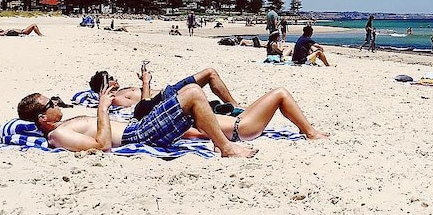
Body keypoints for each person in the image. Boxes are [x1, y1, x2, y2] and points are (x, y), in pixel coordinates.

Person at [18, 81, 328, 158]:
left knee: (191, 94)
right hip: (137, 136)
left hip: (141, 129)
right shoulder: (56, 136)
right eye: (53, 103)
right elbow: (101, 147)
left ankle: (224, 142)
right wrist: (102, 107)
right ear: (45, 118)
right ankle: (227, 148)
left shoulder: (64, 124)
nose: (59, 103)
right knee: (193, 92)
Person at [88, 67, 243, 110]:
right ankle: (235, 106)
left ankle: (234, 106)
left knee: (211, 73)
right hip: (167, 98)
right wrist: (146, 82)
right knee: (210, 73)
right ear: (107, 84)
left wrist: (144, 80)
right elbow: (144, 106)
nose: (116, 79)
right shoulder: (116, 98)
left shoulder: (123, 91)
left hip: (169, 92)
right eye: (112, 79)